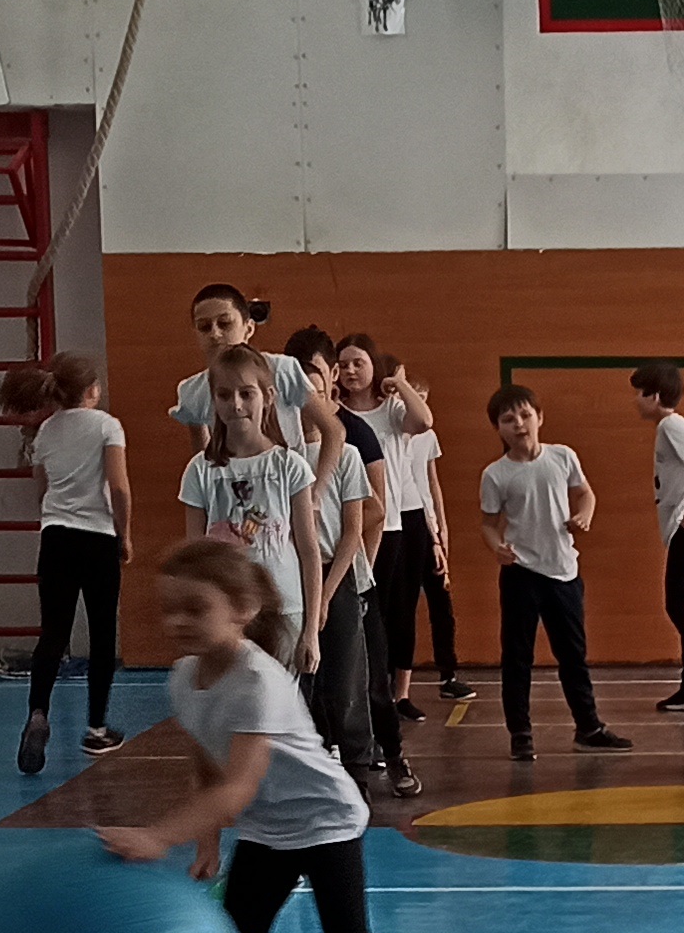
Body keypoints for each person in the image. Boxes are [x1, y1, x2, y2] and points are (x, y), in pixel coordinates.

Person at [104, 539, 469, 933]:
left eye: (195, 608)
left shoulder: (258, 680)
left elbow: (237, 787)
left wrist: (156, 836)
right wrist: (205, 841)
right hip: (268, 828)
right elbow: (205, 761)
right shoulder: (182, 678)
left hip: (325, 820)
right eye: (169, 609)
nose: (178, 622)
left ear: (242, 609)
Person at [475, 383, 626, 758]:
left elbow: (585, 493)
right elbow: (488, 524)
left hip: (563, 571)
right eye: (508, 419)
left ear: (539, 418)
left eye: (525, 415)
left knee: (573, 655)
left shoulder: (562, 456)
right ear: (498, 428)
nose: (519, 424)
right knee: (517, 657)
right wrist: (497, 548)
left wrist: (584, 514)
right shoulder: (496, 474)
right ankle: (520, 734)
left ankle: (588, 727)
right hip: (521, 573)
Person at [0, 354, 131, 775]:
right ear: (92, 390)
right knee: (102, 632)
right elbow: (118, 487)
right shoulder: (107, 426)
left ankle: (38, 712)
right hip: (97, 537)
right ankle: (96, 728)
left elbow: (42, 489)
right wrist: (125, 533)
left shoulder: (45, 432)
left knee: (53, 633)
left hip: (55, 537)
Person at [293, 350, 408, 799]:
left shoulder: (349, 450)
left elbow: (361, 524)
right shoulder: (282, 457)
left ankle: (377, 761)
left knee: (358, 680)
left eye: (316, 391)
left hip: (341, 575)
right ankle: (317, 764)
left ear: (330, 392)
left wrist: (330, 592)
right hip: (296, 574)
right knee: (307, 681)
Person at [342, 335, 474, 722]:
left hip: (396, 523)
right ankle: (366, 692)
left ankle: (399, 694)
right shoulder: (335, 413)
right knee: (366, 614)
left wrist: (398, 382)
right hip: (352, 524)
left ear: (373, 366)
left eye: (359, 363)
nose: (351, 370)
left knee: (401, 612)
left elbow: (425, 421)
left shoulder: (393, 410)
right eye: (344, 364)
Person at [172, 345, 321, 683]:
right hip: (226, 613)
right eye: (224, 395)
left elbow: (309, 550)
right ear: (214, 400)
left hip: (284, 608)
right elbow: (194, 555)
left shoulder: (289, 466)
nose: (236, 404)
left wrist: (311, 629)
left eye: (246, 393)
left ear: (268, 397)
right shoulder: (200, 471)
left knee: (276, 699)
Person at [634, 362, 684, 711]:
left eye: (639, 393)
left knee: (681, 607)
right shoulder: (666, 427)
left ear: (654, 395)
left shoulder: (671, 424)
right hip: (681, 530)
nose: (635, 400)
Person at [168, 283, 310, 439]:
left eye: (225, 324)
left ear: (248, 328)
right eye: (204, 327)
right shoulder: (193, 390)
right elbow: (202, 451)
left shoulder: (282, 369)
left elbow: (329, 428)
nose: (214, 334)